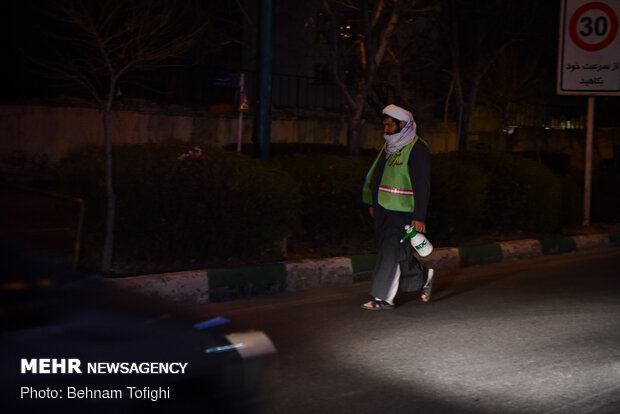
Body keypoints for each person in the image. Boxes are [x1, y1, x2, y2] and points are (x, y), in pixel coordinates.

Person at [360, 104, 434, 310]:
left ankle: (383, 298)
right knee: (394, 251)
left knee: (390, 251)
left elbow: (422, 185)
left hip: (403, 211)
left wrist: (419, 216)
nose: (385, 130)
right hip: (383, 208)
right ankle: (422, 276)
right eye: (384, 126)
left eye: (389, 126)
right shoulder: (390, 146)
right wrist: (372, 202)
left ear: (403, 124)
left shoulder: (417, 149)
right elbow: (378, 175)